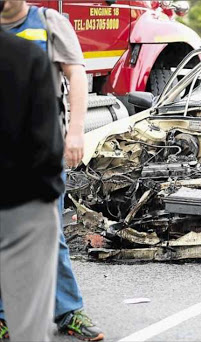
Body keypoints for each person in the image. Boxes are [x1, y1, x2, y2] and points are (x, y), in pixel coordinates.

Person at [0, 1, 104, 340]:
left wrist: (75, 133)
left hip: (39, 152)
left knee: (49, 235)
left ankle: (69, 310)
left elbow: (75, 75)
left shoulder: (47, 22)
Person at [0, 1, 62, 340]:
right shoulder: (24, 57)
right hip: (21, 206)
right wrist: (46, 196)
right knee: (28, 325)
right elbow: (47, 146)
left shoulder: (50, 22)